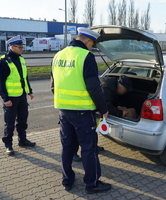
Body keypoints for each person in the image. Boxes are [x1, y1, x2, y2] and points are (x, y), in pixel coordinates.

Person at [51, 27, 111, 194]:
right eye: (92, 44)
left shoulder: (58, 55)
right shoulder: (86, 56)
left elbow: (53, 84)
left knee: (67, 147)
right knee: (88, 148)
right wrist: (103, 109)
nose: (92, 48)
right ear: (87, 41)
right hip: (83, 112)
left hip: (63, 111)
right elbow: (94, 87)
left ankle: (67, 180)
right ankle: (92, 184)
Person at [0, 35, 36, 156]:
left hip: (21, 96)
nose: (22, 49)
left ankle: (22, 141)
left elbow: (24, 78)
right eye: (19, 47)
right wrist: (5, 99)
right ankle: (8, 145)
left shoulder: (21, 59)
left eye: (22, 47)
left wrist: (29, 91)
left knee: (22, 120)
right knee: (9, 123)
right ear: (12, 47)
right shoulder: (4, 61)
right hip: (11, 98)